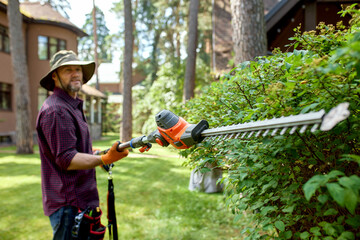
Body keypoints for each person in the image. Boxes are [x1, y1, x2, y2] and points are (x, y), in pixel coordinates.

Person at [36, 50, 129, 239]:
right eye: (68, 70)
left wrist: (95, 153)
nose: (75, 74)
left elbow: (74, 149)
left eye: (78, 69)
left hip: (79, 200)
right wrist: (105, 158)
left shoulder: (71, 106)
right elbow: (67, 159)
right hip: (69, 204)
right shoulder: (57, 110)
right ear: (54, 76)